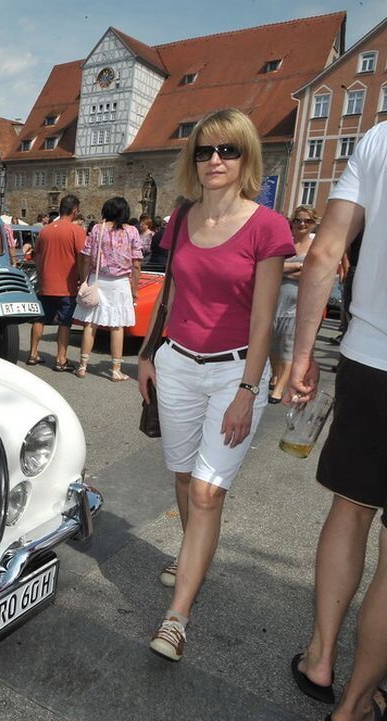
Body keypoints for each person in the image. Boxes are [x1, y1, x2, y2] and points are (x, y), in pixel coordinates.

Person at [136, 108, 294, 662]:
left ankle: (177, 616)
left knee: (207, 492)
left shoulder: (268, 227)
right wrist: (149, 353)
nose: (215, 160)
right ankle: (190, 553)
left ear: (246, 156)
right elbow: (172, 294)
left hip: (233, 371)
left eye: (227, 150)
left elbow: (263, 320)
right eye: (204, 151)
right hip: (177, 364)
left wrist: (249, 392)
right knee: (183, 480)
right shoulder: (180, 220)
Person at [287, 120, 387, 721]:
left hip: (372, 359)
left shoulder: (378, 139)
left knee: (350, 511)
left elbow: (325, 251)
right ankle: (353, 705)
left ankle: (321, 658)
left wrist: (302, 356)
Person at [72, 196, 143, 381]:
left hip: (98, 279)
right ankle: (115, 369)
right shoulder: (132, 232)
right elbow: (136, 264)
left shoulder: (97, 229)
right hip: (119, 283)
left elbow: (86, 257)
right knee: (116, 326)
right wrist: (134, 288)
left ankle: (82, 366)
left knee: (90, 323)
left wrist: (84, 279)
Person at [26, 194, 85, 370]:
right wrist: (82, 278)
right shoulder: (76, 231)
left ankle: (33, 353)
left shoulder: (46, 230)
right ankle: (61, 359)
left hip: (45, 283)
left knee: (39, 319)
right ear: (75, 210)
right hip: (66, 285)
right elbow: (82, 257)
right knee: (65, 322)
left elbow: (37, 255)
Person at [268, 205, 317, 403]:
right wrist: (297, 266)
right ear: (292, 222)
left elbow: (312, 275)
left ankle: (279, 389)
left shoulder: (315, 246)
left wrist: (284, 269)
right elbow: (270, 267)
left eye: (307, 221)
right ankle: (277, 374)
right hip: (274, 300)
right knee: (272, 345)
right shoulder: (284, 242)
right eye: (298, 220)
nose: (302, 224)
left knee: (288, 345)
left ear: (313, 224)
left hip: (298, 305)